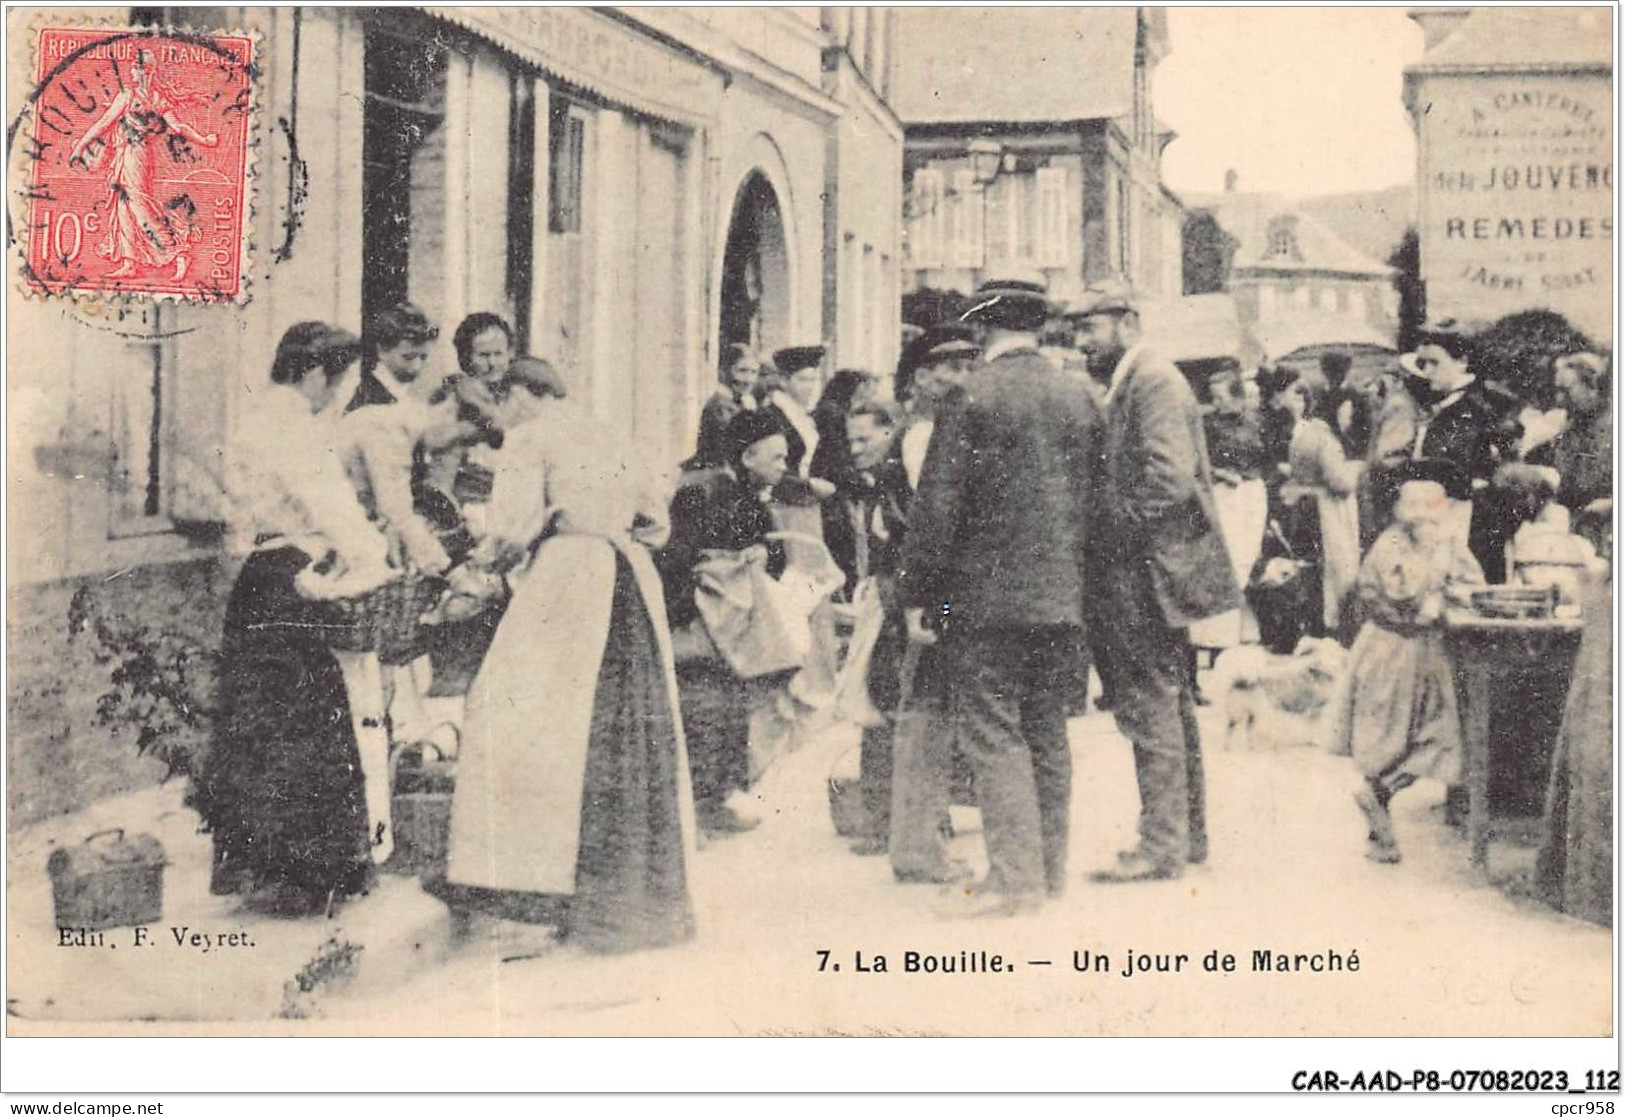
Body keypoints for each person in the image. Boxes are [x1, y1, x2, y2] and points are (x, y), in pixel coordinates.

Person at [440, 382, 695, 953]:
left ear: (517, 397)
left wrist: (479, 567)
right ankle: (630, 895)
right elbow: (656, 524)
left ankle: (538, 883)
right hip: (624, 576)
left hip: (568, 581)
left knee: (528, 720)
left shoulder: (531, 438)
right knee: (623, 729)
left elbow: (509, 530)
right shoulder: (611, 434)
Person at [899, 272, 1099, 915]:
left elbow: (938, 512)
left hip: (982, 605)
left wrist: (918, 597)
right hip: (1065, 602)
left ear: (983, 327)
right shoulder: (1081, 398)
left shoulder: (970, 398)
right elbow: (1106, 510)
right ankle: (1048, 872)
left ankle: (1014, 881)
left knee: (994, 735)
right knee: (1047, 730)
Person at [195, 323, 395, 917]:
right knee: (308, 721)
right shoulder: (299, 431)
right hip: (295, 583)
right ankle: (311, 873)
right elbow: (332, 509)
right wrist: (371, 558)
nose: (332, 400)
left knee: (255, 720)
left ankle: (258, 866)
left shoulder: (252, 423)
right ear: (314, 375)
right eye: (334, 387)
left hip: (257, 582)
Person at [1073, 286, 1238, 884]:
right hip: (1149, 571)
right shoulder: (1138, 379)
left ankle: (1162, 844)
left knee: (1149, 705)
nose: (1081, 340)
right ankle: (1183, 837)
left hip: (1142, 574)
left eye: (1090, 328)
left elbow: (1168, 483)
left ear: (1128, 323)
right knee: (1168, 702)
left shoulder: (1153, 381)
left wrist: (1102, 537)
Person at [1328, 463, 1486, 865]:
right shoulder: (1391, 546)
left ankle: (1378, 794)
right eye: (1413, 505)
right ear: (1400, 509)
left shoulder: (1447, 541)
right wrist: (1436, 572)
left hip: (1428, 651)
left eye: (1430, 506)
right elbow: (1406, 591)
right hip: (1391, 649)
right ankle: (1379, 830)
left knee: (1437, 737)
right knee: (1387, 735)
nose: (1422, 514)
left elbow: (1473, 584)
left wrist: (1451, 587)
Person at [660, 408, 792, 837]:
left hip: (731, 626)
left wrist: (760, 556)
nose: (784, 466)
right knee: (705, 709)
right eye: (777, 457)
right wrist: (686, 614)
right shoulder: (701, 493)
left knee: (731, 709)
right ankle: (700, 806)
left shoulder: (748, 495)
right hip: (701, 624)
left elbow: (775, 554)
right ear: (748, 456)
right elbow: (676, 559)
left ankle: (721, 797)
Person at [886, 326, 982, 886]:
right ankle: (920, 847)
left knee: (932, 709)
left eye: (968, 367)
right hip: (933, 592)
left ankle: (924, 837)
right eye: (947, 368)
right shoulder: (926, 436)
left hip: (927, 587)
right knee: (929, 711)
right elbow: (932, 525)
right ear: (921, 377)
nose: (960, 378)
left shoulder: (934, 430)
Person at [826, 402, 913, 856]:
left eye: (865, 439)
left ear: (890, 432)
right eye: (851, 440)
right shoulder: (880, 481)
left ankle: (890, 823)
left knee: (886, 708)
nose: (856, 449)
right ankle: (886, 821)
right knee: (881, 707)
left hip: (898, 608)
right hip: (884, 603)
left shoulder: (899, 480)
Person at [67, 48, 219, 281]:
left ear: (146, 70)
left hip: (137, 157)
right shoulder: (140, 97)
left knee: (139, 206)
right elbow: (104, 123)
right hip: (126, 154)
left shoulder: (140, 98)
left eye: (135, 67)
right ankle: (130, 262)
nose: (131, 71)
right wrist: (80, 147)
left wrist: (205, 141)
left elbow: (177, 128)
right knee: (122, 206)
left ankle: (178, 253)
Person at [1535, 506, 1611, 925]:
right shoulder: (1600, 583)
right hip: (1597, 699)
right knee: (1593, 769)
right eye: (1607, 536)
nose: (1611, 542)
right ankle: (1590, 891)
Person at [1396, 319, 1517, 579]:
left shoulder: (1481, 409)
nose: (1426, 371)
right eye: (1422, 364)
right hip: (1439, 518)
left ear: (1461, 362)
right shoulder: (1442, 407)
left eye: (1435, 363)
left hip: (1470, 523)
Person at [1188, 364, 1270, 657]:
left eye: (1221, 396)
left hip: (1251, 494)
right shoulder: (1207, 425)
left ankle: (1236, 633)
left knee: (1246, 561)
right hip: (1224, 495)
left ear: (1237, 395)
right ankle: (1213, 638)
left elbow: (1269, 457)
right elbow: (1196, 461)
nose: (1216, 402)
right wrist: (1221, 474)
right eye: (1213, 396)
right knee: (1225, 562)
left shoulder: (1256, 421)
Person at [1280, 369, 1364, 640]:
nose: (1349, 415)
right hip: (1326, 510)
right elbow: (1339, 482)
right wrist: (1359, 470)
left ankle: (1314, 628)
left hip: (1305, 505)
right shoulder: (1324, 438)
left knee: (1312, 571)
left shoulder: (1301, 434)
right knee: (1333, 571)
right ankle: (1334, 629)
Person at [691, 343, 763, 470]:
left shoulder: (744, 403)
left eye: (753, 372)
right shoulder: (720, 406)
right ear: (724, 371)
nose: (748, 380)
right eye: (742, 371)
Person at [809, 368, 881, 492]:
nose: (872, 396)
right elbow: (836, 457)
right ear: (859, 388)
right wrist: (859, 479)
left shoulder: (832, 410)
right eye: (871, 390)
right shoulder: (833, 414)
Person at [764, 345, 829, 482]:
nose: (809, 387)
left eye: (812, 380)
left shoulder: (805, 417)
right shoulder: (773, 415)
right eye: (802, 380)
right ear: (784, 381)